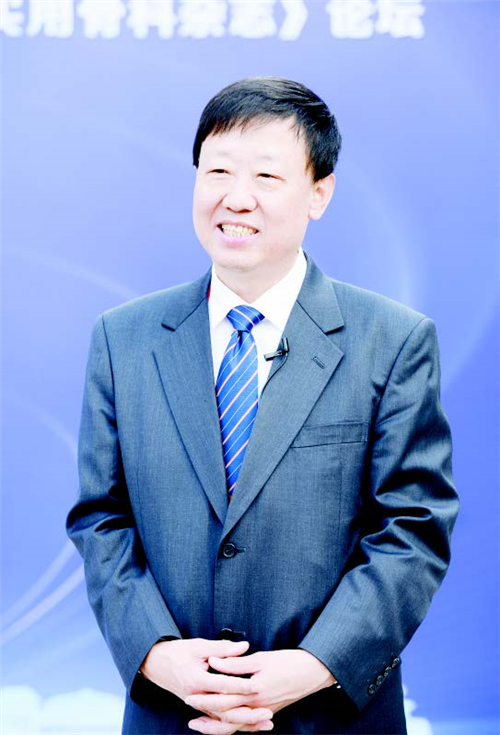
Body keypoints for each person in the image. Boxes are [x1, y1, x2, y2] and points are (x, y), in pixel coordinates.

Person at [66, 77, 459, 735]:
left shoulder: (391, 341)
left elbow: (412, 527)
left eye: (267, 176)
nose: (236, 197)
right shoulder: (123, 339)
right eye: (218, 170)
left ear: (319, 193)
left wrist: (313, 665)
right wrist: (158, 655)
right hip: (174, 714)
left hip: (329, 715)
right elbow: (100, 517)